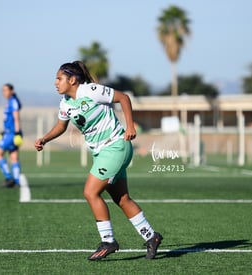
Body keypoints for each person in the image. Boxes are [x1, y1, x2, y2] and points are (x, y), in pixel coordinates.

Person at [34, 61, 163, 260]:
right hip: (101, 153)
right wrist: (45, 138)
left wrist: (130, 127)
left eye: (59, 78)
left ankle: (108, 241)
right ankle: (151, 236)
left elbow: (123, 98)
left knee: (90, 192)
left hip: (115, 146)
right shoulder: (65, 104)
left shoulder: (91, 90)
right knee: (122, 199)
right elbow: (61, 127)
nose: (55, 83)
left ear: (73, 80)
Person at [0, 83, 23, 188]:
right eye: (3, 90)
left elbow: (16, 118)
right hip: (9, 132)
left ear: (12, 91)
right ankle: (16, 181)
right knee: (13, 156)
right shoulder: (9, 102)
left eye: (6, 90)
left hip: (11, 133)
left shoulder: (13, 101)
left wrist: (17, 133)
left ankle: (8, 177)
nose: (4, 92)